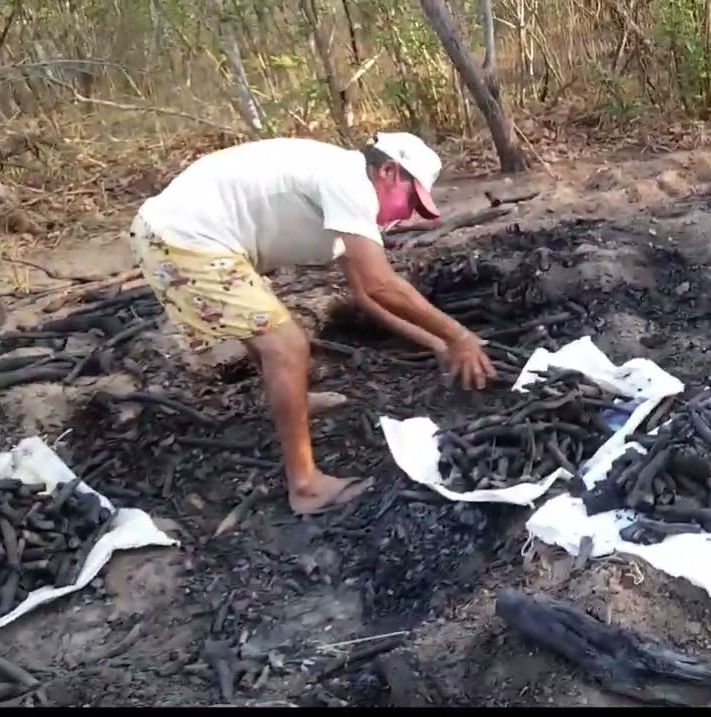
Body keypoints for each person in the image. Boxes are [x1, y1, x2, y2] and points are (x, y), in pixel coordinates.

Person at [129, 132, 497, 516]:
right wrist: (459, 335)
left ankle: (294, 402)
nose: (407, 215)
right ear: (389, 171)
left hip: (189, 236)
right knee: (287, 345)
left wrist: (437, 343)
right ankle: (305, 486)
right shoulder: (350, 183)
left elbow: (365, 296)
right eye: (411, 200)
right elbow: (382, 284)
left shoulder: (347, 196)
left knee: (273, 335)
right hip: (181, 238)